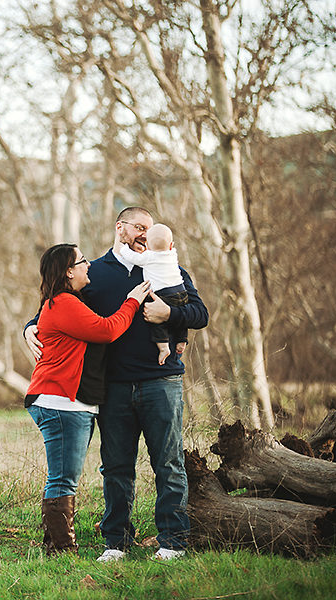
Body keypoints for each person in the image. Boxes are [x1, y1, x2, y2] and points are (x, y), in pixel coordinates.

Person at [24, 207, 209, 562]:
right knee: (116, 467)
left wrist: (169, 314)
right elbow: (55, 308)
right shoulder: (93, 273)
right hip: (114, 388)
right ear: (120, 227)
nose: (145, 234)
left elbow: (199, 314)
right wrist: (29, 328)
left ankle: (172, 542)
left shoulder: (166, 265)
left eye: (150, 229)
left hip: (161, 381)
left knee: (168, 464)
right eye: (139, 227)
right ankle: (116, 543)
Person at [25, 244, 151, 556]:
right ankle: (62, 550)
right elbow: (107, 330)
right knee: (64, 480)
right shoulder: (65, 303)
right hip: (61, 401)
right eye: (82, 262)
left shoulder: (65, 302)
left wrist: (29, 327)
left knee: (63, 477)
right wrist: (133, 301)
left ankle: (55, 545)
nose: (88, 266)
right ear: (68, 271)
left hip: (68, 401)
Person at [117, 223, 189, 365]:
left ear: (148, 246)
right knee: (181, 317)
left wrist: (123, 248)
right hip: (181, 290)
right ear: (171, 245)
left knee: (157, 320)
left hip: (163, 294)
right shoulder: (172, 254)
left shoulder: (149, 256)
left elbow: (133, 258)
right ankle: (182, 340)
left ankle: (163, 347)